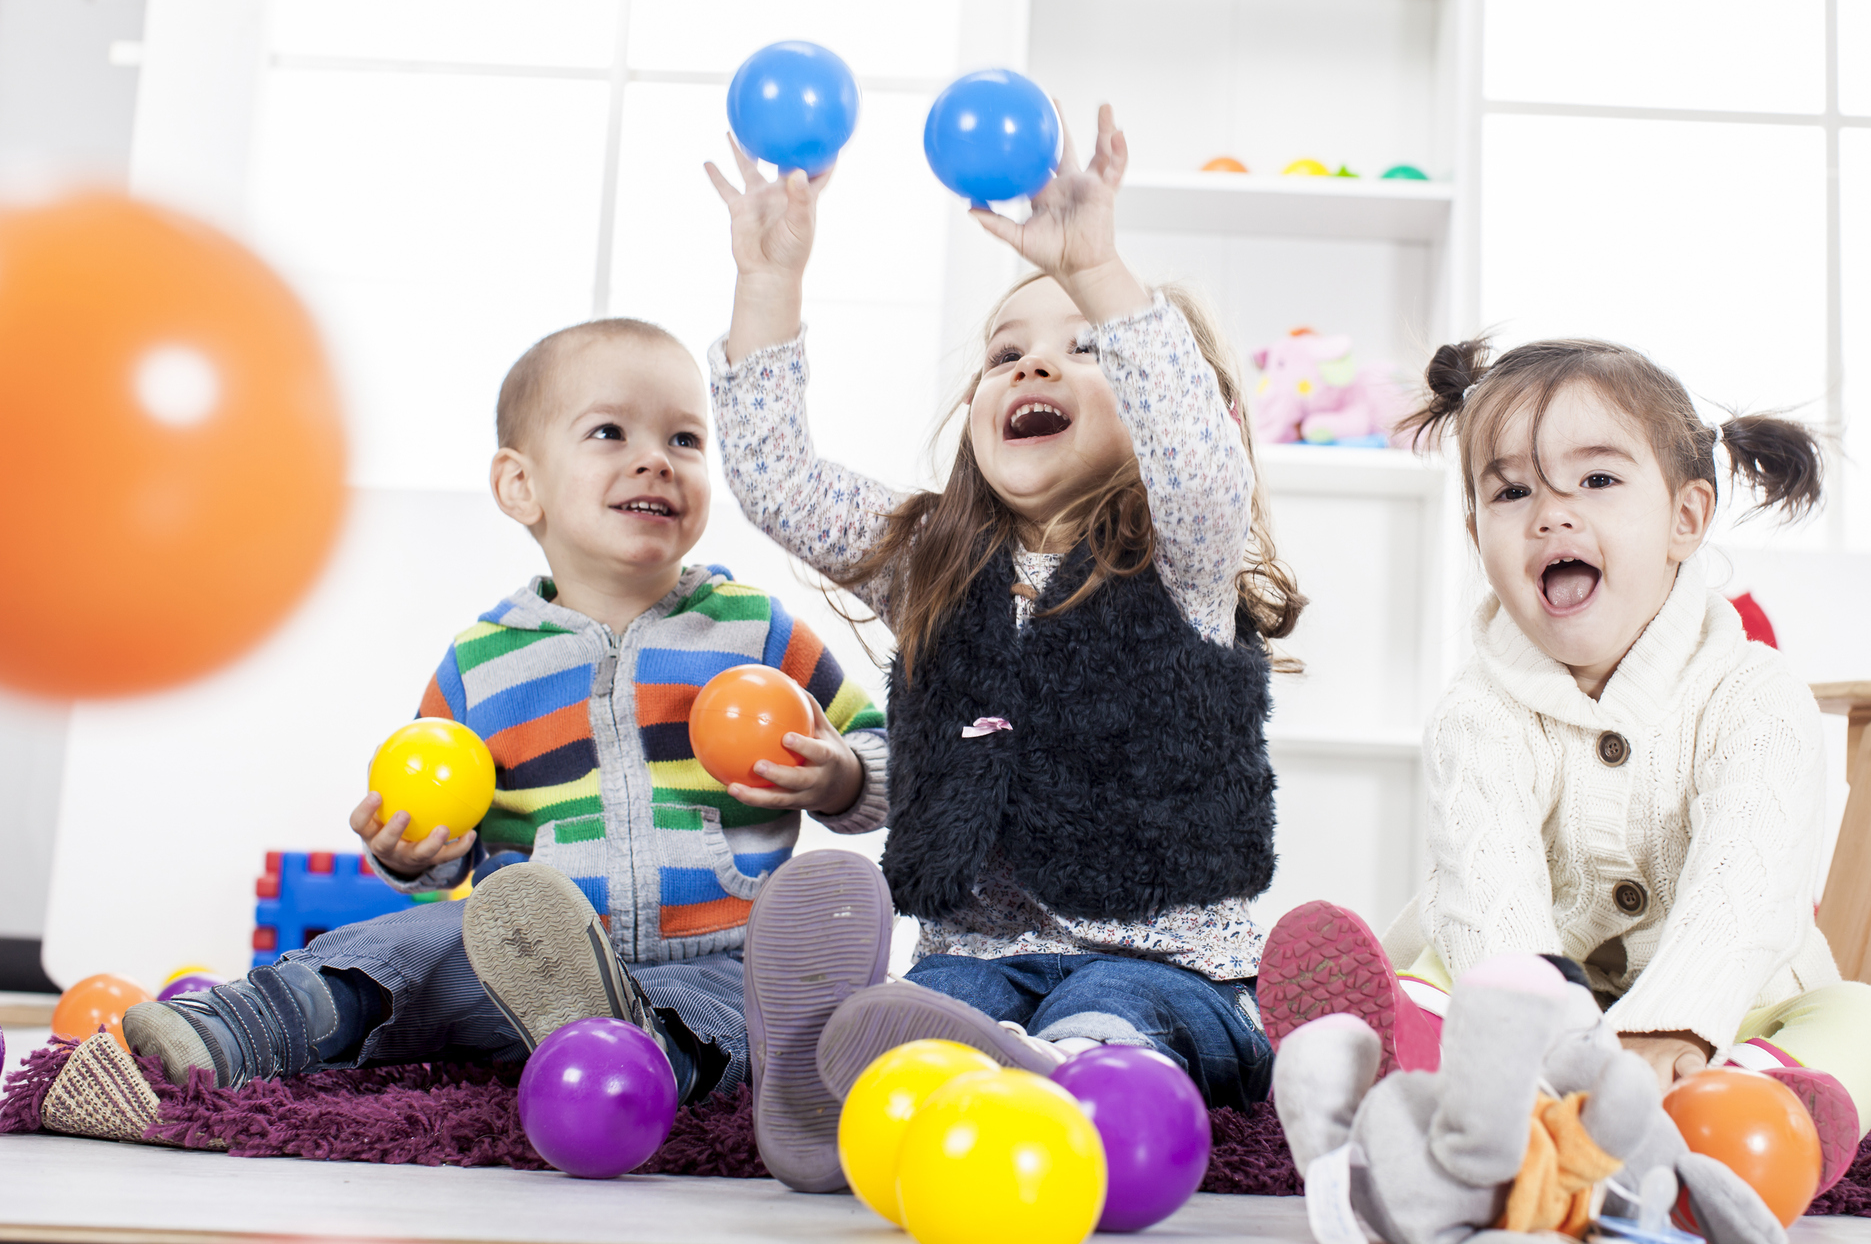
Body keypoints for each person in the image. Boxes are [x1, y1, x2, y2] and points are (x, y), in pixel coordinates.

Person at [122, 318, 893, 1187]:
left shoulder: (755, 631)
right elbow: (444, 850)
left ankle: (631, 1047)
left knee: (746, 1019)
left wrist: (841, 774)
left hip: (717, 954)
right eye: (612, 432)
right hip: (519, 963)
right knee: (410, 945)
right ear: (520, 484)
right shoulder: (480, 667)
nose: (656, 459)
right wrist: (413, 851)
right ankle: (240, 1029)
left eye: (684, 438)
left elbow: (881, 750)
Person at [705, 105, 1303, 1185]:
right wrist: (769, 281)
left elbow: (1203, 465)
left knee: (1110, 1005)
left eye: (1087, 348)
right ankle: (836, 1093)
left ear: (1173, 400)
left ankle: (1066, 1083)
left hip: (1166, 961)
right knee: (936, 1009)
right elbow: (778, 482)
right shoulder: (931, 560)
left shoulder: (1185, 554)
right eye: (1004, 354)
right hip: (977, 952)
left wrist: (1099, 267)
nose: (1034, 369)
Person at [1254, 336, 1871, 1198]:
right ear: (1475, 532)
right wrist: (1530, 1041)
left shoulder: (1755, 694)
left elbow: (1745, 890)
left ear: (1686, 518)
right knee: (1431, 982)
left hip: (1727, 1008)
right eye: (1511, 491)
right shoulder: (1477, 711)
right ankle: (1400, 1050)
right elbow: (1489, 899)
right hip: (1515, 998)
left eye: (1597, 481)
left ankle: (1755, 1105)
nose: (1550, 515)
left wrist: (1670, 1031)